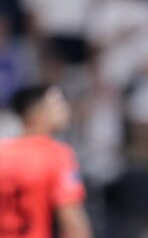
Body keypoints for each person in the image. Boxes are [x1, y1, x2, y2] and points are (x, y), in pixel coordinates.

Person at [0, 84, 92, 238]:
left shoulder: (3, 153)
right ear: (35, 112)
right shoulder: (57, 155)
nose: (65, 110)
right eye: (58, 104)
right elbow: (73, 223)